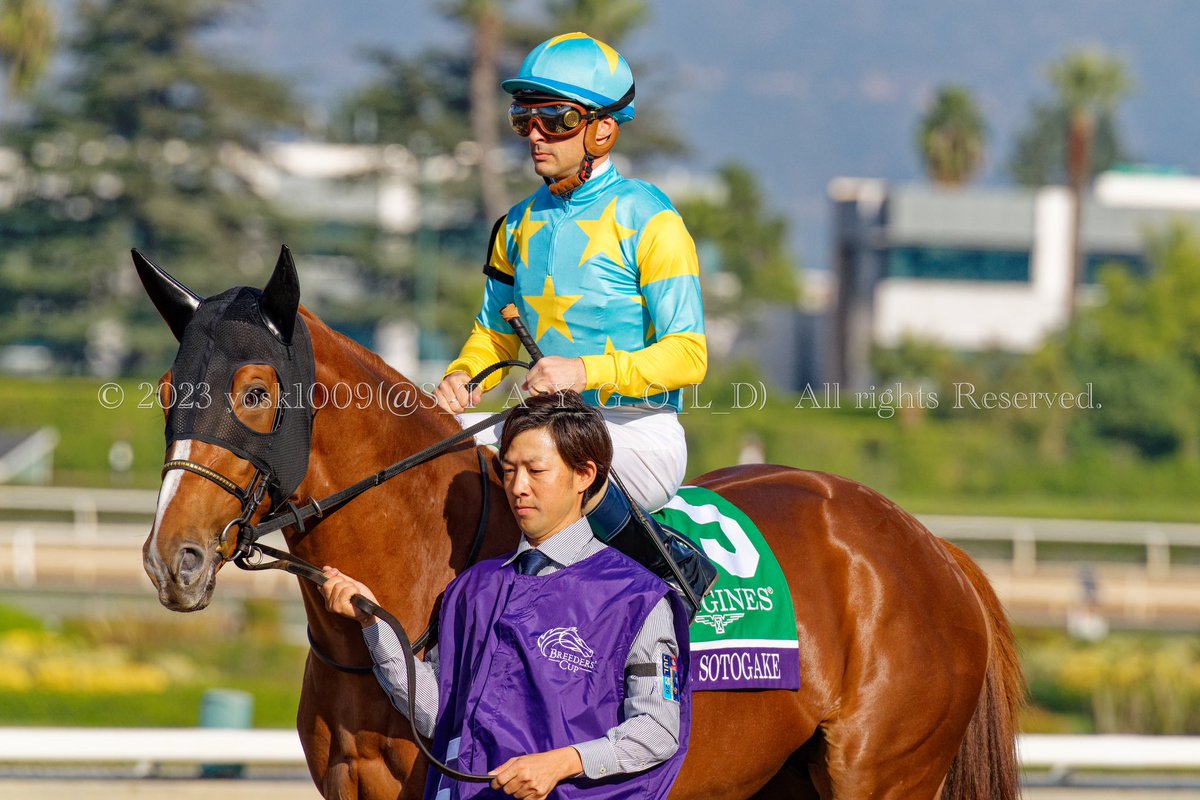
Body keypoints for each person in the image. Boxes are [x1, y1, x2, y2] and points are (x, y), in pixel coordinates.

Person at [431, 32, 715, 612]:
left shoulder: (650, 219)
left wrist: (583, 371)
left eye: (555, 119)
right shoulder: (515, 225)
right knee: (435, 451)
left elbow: (689, 355)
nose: (535, 135)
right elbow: (492, 333)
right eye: (523, 119)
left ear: (602, 130)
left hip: (636, 431)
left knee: (542, 463)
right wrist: (465, 376)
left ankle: (667, 581)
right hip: (541, 426)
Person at [321, 392, 691, 800]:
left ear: (585, 474)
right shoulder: (471, 589)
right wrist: (374, 623)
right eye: (509, 470)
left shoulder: (640, 599)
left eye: (536, 470)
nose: (518, 488)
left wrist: (565, 762)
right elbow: (436, 713)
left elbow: (657, 729)